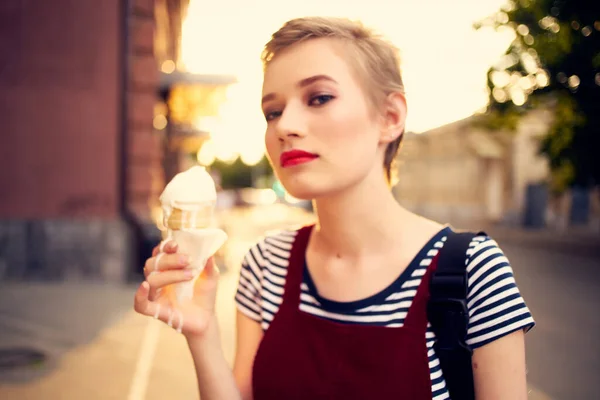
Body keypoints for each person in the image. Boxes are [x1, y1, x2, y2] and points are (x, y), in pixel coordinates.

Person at [134, 16, 535, 399]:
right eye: (272, 111)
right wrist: (201, 333)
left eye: (319, 97)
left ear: (390, 117)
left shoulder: (471, 272)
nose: (284, 126)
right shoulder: (265, 264)